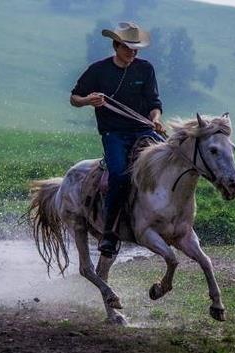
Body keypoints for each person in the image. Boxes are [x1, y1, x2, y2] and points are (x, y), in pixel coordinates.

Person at [70, 22, 166, 257]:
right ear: (115, 45)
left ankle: (168, 219)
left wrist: (155, 119)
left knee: (169, 163)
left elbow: (154, 103)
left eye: (136, 49)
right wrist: (88, 100)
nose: (132, 53)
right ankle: (110, 234)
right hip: (114, 134)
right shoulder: (98, 70)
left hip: (143, 130)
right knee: (120, 175)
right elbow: (74, 97)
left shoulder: (145, 69)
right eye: (128, 48)